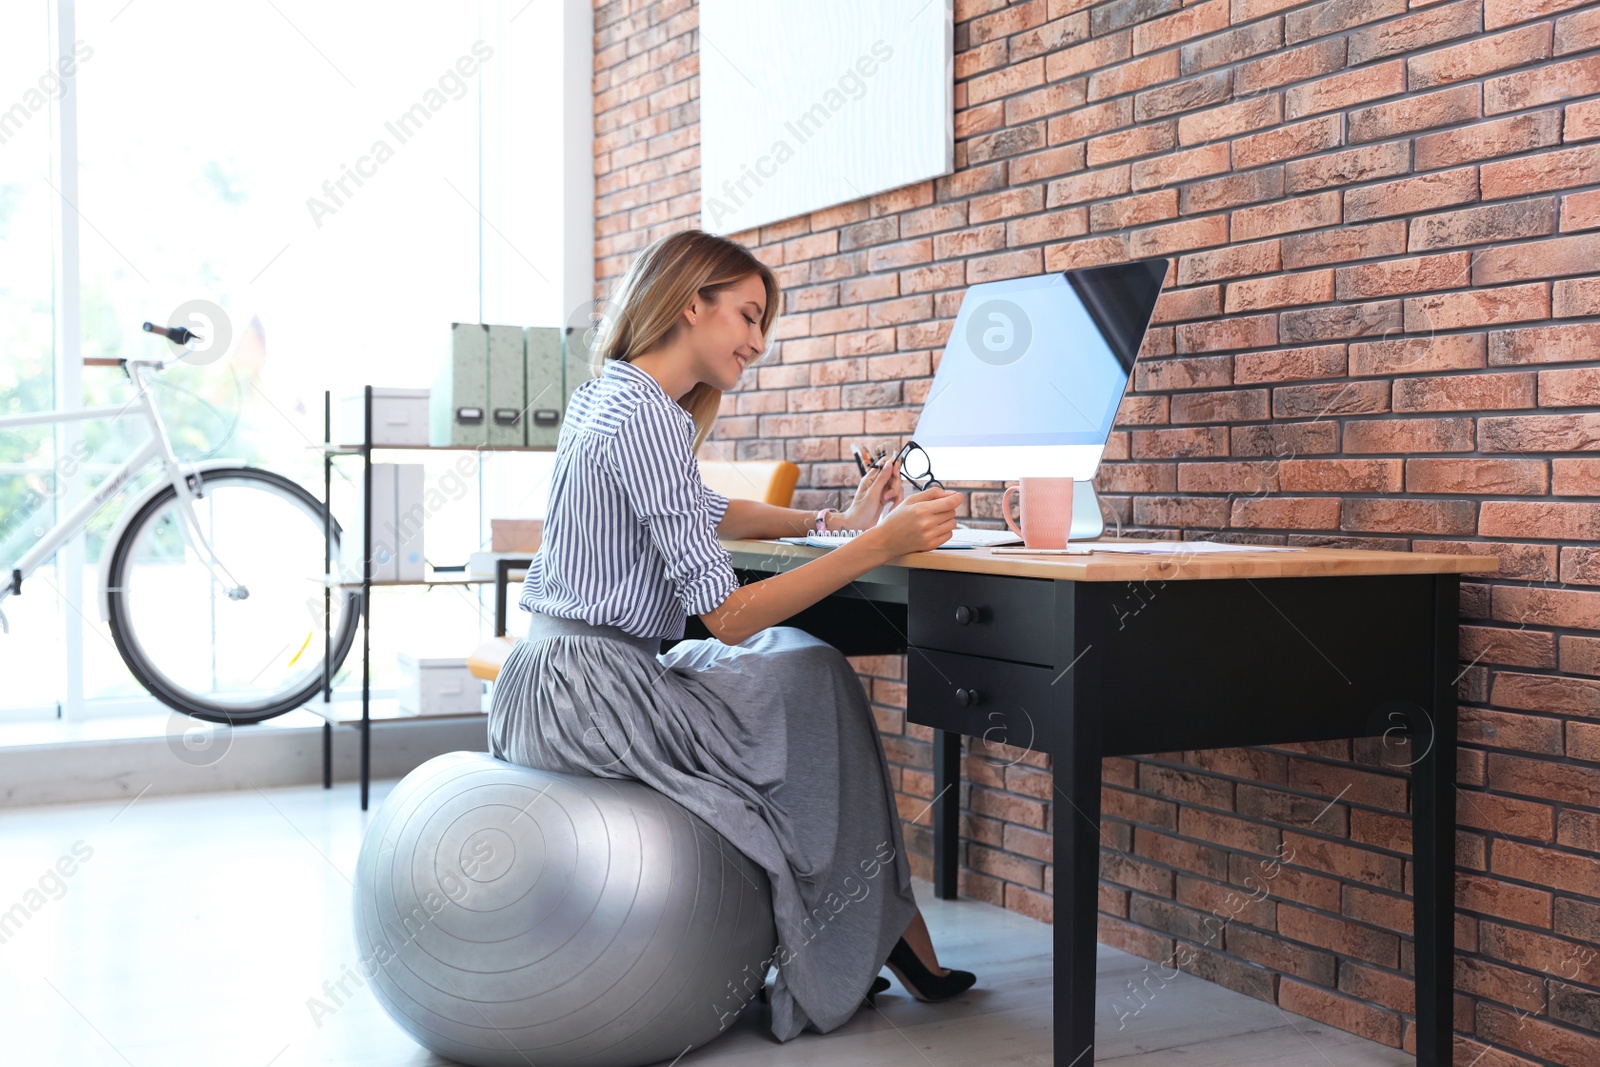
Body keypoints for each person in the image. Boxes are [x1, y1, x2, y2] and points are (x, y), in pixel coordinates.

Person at [488, 228, 976, 1042]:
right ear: (691, 303)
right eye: (748, 317)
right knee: (813, 674)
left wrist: (833, 518)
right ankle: (883, 929)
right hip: (596, 695)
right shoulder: (643, 416)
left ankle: (888, 925)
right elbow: (728, 616)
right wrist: (877, 546)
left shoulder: (618, 396)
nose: (756, 342)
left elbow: (712, 510)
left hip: (553, 678)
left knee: (808, 669)